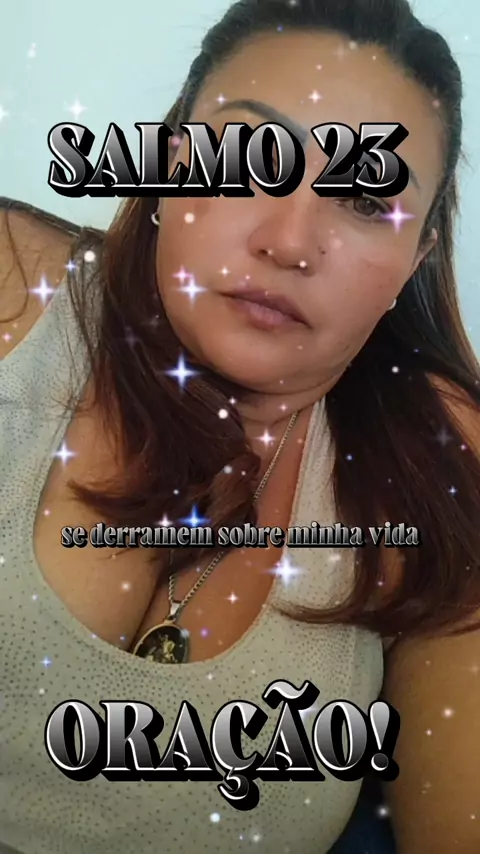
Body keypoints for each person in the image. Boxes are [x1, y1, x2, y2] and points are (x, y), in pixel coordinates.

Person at [1, 0, 479, 851]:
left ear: (420, 258)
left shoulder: (440, 461)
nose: (290, 242)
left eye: (366, 199)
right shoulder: (15, 294)